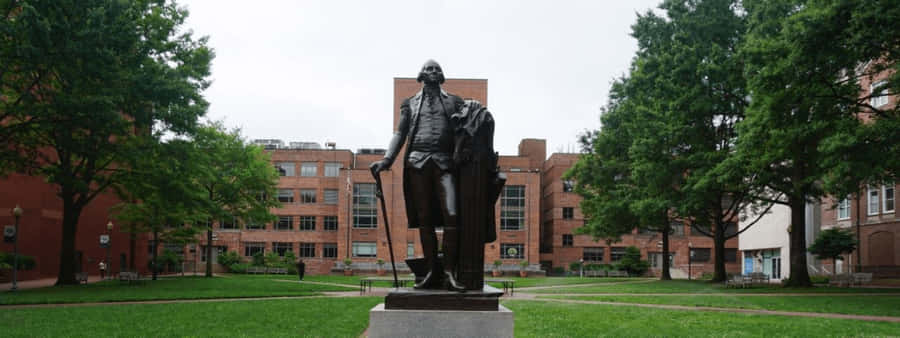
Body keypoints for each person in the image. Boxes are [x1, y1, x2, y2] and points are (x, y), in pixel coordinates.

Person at [370, 60, 466, 291]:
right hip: (417, 162)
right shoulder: (410, 103)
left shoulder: (454, 101)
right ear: (421, 74)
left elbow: (465, 130)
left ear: (442, 75)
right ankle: (432, 271)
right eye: (429, 68)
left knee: (452, 215)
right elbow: (400, 133)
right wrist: (387, 160)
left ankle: (450, 273)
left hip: (444, 163)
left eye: (437, 69)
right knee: (425, 219)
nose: (433, 71)